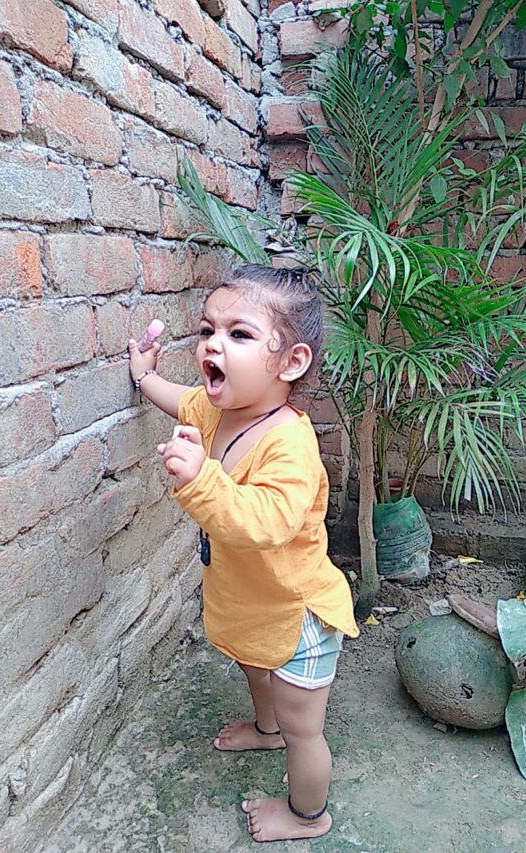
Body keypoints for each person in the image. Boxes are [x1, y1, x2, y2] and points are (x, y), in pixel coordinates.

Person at [128, 264, 359, 843]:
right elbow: (183, 401)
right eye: (208, 330)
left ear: (291, 363)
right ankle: (266, 728)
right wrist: (144, 376)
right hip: (255, 605)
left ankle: (307, 815)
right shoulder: (219, 411)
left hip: (299, 614)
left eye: (239, 333)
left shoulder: (290, 445)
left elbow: (266, 523)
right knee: (255, 665)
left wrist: (201, 479)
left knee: (305, 728)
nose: (213, 344)